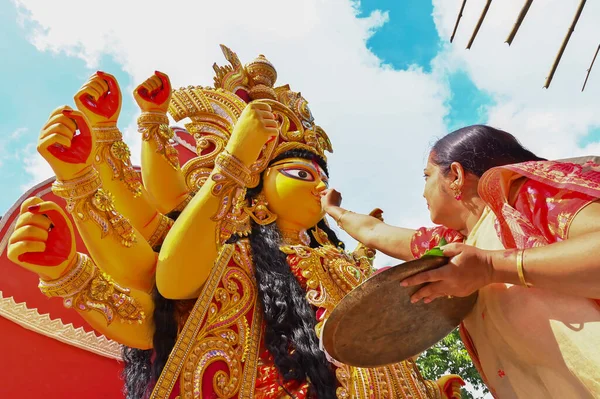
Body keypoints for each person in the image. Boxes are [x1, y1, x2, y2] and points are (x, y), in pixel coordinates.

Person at [6, 46, 463, 399]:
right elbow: (168, 281)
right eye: (301, 174)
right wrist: (68, 257)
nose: (317, 186)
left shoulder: (338, 262)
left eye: (321, 176)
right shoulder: (234, 254)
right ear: (256, 191)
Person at [321, 124, 600, 398]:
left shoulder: (521, 197)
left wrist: (492, 268)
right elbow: (374, 232)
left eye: (426, 176)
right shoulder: (453, 245)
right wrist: (333, 210)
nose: (422, 193)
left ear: (455, 175)